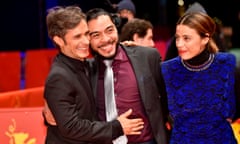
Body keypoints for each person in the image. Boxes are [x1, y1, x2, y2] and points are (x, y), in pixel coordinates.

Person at [43, 5, 144, 144]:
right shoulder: (59, 76)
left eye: (86, 34)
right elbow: (72, 127)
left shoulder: (83, 64)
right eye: (77, 37)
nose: (86, 41)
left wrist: (126, 50)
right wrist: (117, 127)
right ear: (59, 40)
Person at [86, 8, 169, 144]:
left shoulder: (147, 57)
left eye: (109, 30)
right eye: (96, 35)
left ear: (116, 28)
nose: (105, 39)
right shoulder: (85, 70)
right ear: (88, 39)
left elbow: (165, 100)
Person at [161, 12, 238, 143]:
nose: (179, 44)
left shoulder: (226, 64)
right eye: (177, 38)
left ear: (205, 38)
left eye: (186, 38)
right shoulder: (168, 69)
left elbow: (234, 108)